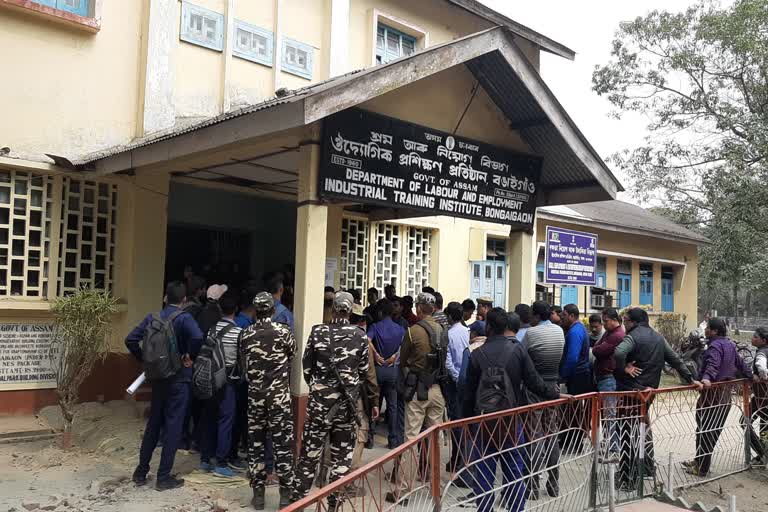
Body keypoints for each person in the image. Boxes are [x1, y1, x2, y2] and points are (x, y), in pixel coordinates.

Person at [463, 308, 561, 512]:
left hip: (483, 423)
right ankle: (516, 508)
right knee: (514, 473)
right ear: (506, 326)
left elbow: (468, 394)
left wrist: (467, 424)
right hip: (510, 421)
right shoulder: (517, 351)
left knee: (483, 476)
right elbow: (534, 382)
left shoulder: (476, 354)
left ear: (488, 327)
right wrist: (554, 394)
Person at [295, 292, 370, 510]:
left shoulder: (318, 332)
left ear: (334, 309)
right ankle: (333, 506)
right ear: (350, 311)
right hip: (346, 408)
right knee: (341, 460)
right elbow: (363, 373)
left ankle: (299, 503)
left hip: (319, 406)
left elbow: (307, 367)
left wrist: (319, 389)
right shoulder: (360, 335)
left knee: (308, 457)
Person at [126, 281, 203, 491]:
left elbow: (130, 339)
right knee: (173, 427)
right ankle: (163, 477)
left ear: (165, 298)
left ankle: (141, 472)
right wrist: (189, 356)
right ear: (184, 300)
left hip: (157, 379)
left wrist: (145, 360)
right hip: (178, 379)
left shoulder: (152, 318)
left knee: (153, 425)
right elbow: (197, 336)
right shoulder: (185, 318)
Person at [613, 307, 699, 490]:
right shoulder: (659, 337)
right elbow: (675, 359)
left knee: (629, 435)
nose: (624, 324)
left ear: (634, 322)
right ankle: (646, 469)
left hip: (631, 392)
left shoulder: (632, 337)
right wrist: (691, 379)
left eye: (626, 321)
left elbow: (619, 353)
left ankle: (629, 479)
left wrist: (623, 369)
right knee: (642, 430)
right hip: (649, 392)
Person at [239, 292, 297, 509]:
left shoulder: (246, 334)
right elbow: (291, 357)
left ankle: (259, 495)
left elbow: (243, 365)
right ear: (273, 310)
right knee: (283, 446)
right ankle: (285, 495)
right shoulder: (284, 332)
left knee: (256, 447)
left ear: (255, 311)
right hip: (279, 400)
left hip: (255, 399)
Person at [387, 293, 446, 504]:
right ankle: (436, 488)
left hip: (417, 390)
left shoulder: (413, 331)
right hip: (437, 389)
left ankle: (403, 491)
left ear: (420, 308)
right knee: (436, 440)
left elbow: (402, 360)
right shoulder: (442, 330)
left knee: (411, 439)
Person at [683, 318, 751, 477]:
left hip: (713, 393)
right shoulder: (730, 345)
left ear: (714, 331)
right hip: (725, 394)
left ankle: (702, 468)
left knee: (705, 429)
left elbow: (713, 364)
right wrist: (750, 375)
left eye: (707, 329)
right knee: (711, 429)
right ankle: (699, 461)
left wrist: (707, 378)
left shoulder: (715, 346)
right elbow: (741, 364)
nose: (705, 331)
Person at [523, 301, 565, 499]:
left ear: (537, 316)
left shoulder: (531, 334)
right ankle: (554, 483)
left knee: (534, 436)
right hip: (553, 387)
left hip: (535, 389)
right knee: (551, 433)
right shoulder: (559, 331)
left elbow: (523, 359)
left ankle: (532, 485)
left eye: (532, 314)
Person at [199, 293, 242, 478]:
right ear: (236, 310)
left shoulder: (212, 329)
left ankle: (206, 459)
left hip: (209, 380)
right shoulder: (238, 332)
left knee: (209, 418)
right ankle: (221, 462)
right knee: (226, 421)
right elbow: (241, 359)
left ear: (219, 309)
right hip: (227, 382)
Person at [367, 298, 406, 448]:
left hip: (377, 370)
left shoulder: (376, 326)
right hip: (392, 370)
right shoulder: (400, 329)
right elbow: (404, 345)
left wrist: (375, 354)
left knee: (374, 403)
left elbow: (367, 340)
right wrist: (394, 356)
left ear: (381, 312)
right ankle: (392, 439)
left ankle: (370, 437)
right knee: (392, 406)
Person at [443, 301, 470, 486]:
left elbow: (448, 362)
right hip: (467, 380)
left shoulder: (449, 334)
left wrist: (456, 378)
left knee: (456, 422)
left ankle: (458, 460)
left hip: (455, 384)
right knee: (464, 421)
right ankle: (458, 459)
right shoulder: (468, 333)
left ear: (450, 317)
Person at [592, 308, 624, 460]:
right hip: (603, 378)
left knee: (610, 415)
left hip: (609, 378)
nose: (603, 324)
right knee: (607, 415)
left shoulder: (617, 335)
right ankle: (610, 445)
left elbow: (599, 350)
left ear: (613, 320)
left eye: (605, 321)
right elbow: (598, 346)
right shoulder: (608, 333)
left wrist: (597, 348)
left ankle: (614, 450)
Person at [560, 304, 593, 395]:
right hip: (580, 374)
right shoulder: (579, 328)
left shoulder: (574, 332)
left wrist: (563, 375)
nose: (562, 317)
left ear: (572, 316)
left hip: (577, 376)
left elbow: (572, 358)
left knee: (574, 407)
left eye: (564, 314)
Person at [748, 327, 768, 464]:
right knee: (764, 425)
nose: (753, 338)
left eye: (756, 336)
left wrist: (762, 377)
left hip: (762, 396)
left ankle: (762, 453)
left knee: (744, 422)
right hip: (761, 397)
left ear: (763, 340)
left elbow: (761, 366)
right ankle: (763, 454)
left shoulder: (761, 352)